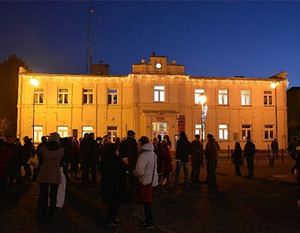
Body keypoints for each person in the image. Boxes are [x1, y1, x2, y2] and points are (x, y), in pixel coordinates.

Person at [100, 143, 128, 228]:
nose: (118, 151)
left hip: (112, 185)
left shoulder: (109, 158)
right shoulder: (113, 160)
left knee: (115, 203)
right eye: (117, 150)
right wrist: (123, 164)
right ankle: (110, 220)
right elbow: (117, 171)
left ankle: (113, 218)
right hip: (113, 186)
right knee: (113, 204)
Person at [37, 132, 64, 220]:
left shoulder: (43, 148)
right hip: (55, 173)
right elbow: (62, 162)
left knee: (44, 194)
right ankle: (51, 213)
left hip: (44, 172)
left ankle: (43, 212)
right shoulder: (61, 150)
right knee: (53, 195)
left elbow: (40, 161)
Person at [134, 136, 158, 229]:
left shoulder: (143, 155)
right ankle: (148, 220)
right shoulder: (153, 154)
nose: (138, 146)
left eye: (139, 144)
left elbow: (140, 171)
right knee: (147, 203)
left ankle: (149, 221)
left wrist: (134, 172)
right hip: (151, 180)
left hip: (145, 181)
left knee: (146, 203)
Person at [119, 130, 138, 201]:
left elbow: (121, 152)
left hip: (125, 162)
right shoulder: (134, 143)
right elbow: (136, 154)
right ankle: (131, 193)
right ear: (133, 135)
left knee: (124, 178)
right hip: (132, 163)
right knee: (132, 178)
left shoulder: (124, 143)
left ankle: (124, 193)